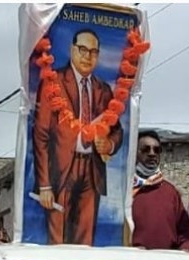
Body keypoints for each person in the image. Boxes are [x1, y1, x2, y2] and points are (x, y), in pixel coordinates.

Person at [33, 29, 123, 246]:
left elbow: (117, 130)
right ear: (72, 49)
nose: (87, 56)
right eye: (83, 49)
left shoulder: (103, 90)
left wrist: (109, 144)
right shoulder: (53, 83)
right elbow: (41, 136)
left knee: (85, 240)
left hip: (92, 171)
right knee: (58, 239)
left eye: (93, 52)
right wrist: (44, 185)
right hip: (61, 171)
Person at [130, 131, 189, 251]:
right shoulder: (125, 190)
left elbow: (184, 234)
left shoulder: (170, 193)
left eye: (156, 150)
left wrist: (186, 249)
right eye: (145, 149)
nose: (152, 154)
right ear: (134, 153)